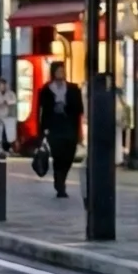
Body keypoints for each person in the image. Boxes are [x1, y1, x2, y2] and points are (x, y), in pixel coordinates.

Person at [33, 61, 84, 197]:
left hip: (69, 126)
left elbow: (79, 109)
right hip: (54, 127)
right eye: (58, 71)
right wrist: (41, 132)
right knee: (58, 155)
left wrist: (65, 107)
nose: (60, 73)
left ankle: (62, 177)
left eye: (62, 71)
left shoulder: (73, 89)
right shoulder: (46, 90)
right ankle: (60, 184)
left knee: (69, 155)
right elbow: (41, 112)